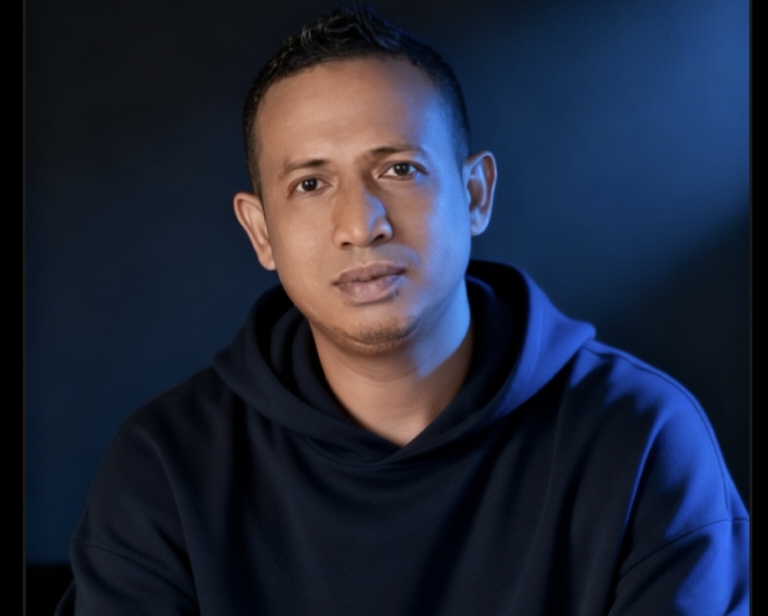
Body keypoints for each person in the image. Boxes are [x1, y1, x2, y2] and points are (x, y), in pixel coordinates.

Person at [56, 7, 749, 615]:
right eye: (310, 183)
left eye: (399, 169)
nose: (361, 225)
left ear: (475, 194)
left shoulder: (641, 438)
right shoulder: (165, 467)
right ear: (261, 232)